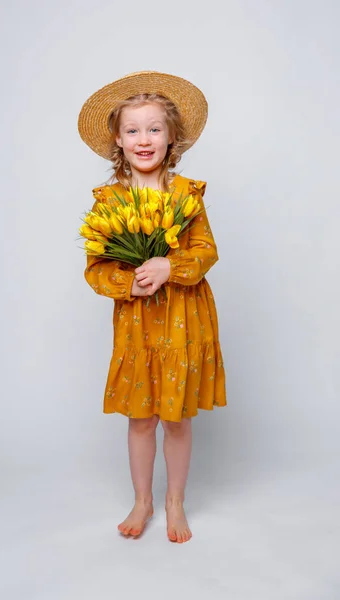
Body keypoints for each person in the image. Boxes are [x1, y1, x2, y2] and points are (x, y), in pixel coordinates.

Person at [78, 71, 226, 544]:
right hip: (138, 326)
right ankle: (142, 500)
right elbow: (96, 268)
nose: (144, 139)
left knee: (177, 417)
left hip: (184, 322)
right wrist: (129, 281)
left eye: (154, 129)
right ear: (118, 141)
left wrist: (170, 266)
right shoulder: (110, 202)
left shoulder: (188, 196)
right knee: (141, 417)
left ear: (172, 138)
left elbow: (206, 252)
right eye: (133, 130)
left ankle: (174, 501)